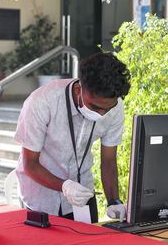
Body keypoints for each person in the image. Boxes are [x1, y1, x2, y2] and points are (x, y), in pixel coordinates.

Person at [15, 52, 131, 223]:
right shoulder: (42, 102)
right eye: (95, 106)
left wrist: (114, 201)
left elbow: (108, 160)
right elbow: (29, 164)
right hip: (40, 198)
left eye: (107, 109)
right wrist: (65, 186)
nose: (102, 114)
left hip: (83, 193)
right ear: (79, 89)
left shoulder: (115, 107)